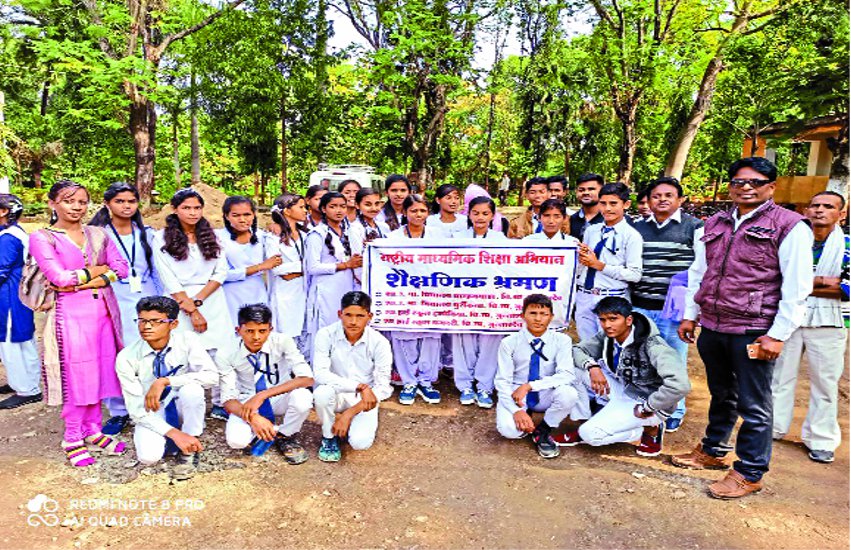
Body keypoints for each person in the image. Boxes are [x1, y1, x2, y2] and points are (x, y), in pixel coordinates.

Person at [673, 157, 813, 499]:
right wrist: (691, 314)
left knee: (754, 404)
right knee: (722, 393)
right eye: (739, 182)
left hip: (755, 328)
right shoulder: (715, 223)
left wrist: (777, 334)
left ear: (771, 187)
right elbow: (699, 272)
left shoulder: (790, 226)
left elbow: (797, 287)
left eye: (755, 182)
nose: (746, 188)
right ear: (731, 186)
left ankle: (750, 472)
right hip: (714, 324)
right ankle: (713, 450)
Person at [29, 180, 129, 467]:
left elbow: (122, 268)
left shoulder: (98, 233)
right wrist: (99, 270)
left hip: (104, 314)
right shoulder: (43, 238)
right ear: (52, 203)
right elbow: (59, 278)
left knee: (101, 371)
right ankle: (72, 437)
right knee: (77, 376)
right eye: (68, 201)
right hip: (70, 317)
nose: (76, 207)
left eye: (82, 202)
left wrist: (88, 280)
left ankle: (93, 430)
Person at [555, 297, 690, 457]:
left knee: (591, 435)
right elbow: (576, 350)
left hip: (645, 403)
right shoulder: (607, 336)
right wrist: (592, 367)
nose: (607, 325)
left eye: (613, 319)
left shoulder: (654, 346)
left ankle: (647, 429)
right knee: (573, 371)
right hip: (622, 389)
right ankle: (584, 421)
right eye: (603, 320)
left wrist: (649, 406)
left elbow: (680, 385)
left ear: (628, 320)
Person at [772, 191, 849, 464]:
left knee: (825, 384)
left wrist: (801, 283)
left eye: (828, 206)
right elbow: (776, 279)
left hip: (831, 322)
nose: (820, 210)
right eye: (815, 205)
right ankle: (772, 428)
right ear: (806, 211)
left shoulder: (848, 245)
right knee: (779, 377)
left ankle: (821, 440)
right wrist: (826, 282)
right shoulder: (793, 241)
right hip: (789, 318)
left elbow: (847, 289)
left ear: (841, 214)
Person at [116, 296, 219, 480]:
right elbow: (136, 410)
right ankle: (176, 437)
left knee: (192, 390)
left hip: (181, 404)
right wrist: (174, 434)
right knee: (149, 457)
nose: (147, 327)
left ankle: (191, 442)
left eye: (156, 321)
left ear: (173, 324)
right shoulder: (127, 357)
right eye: (142, 321)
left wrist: (166, 381)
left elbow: (212, 376)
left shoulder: (187, 341)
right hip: (153, 411)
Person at [88, 182, 162, 434]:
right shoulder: (98, 235)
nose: (126, 206)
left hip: (147, 300)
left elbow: (156, 269)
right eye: (120, 201)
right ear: (107, 204)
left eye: (131, 201)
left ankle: (152, 405)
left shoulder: (147, 234)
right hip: (113, 300)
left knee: (149, 353)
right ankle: (119, 411)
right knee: (115, 355)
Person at [152, 188, 231, 420]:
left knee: (220, 353)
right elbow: (167, 277)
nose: (193, 212)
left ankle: (221, 402)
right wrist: (192, 309)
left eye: (197, 207)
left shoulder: (213, 236)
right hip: (178, 301)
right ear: (175, 209)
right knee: (182, 353)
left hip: (212, 299)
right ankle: (182, 405)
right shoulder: (161, 237)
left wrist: (199, 300)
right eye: (186, 208)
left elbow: (221, 272)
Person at [631, 177, 703, 432]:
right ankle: (646, 404)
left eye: (668, 195)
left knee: (673, 360)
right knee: (642, 359)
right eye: (656, 196)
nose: (662, 199)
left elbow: (701, 269)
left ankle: (675, 409)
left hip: (673, 311)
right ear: (649, 200)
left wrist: (692, 313)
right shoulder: (637, 228)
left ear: (680, 200)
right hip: (639, 306)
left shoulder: (695, 227)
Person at [218, 304, 313, 464]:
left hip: (279, 396)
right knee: (236, 441)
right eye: (249, 331)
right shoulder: (226, 353)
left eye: (262, 331)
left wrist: (262, 395)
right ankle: (267, 430)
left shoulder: (282, 341)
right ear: (238, 330)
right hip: (248, 401)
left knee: (303, 397)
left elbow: (307, 378)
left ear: (270, 329)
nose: (256, 337)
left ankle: (285, 435)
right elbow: (228, 399)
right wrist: (254, 418)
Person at [494, 294, 579, 459]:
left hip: (545, 391)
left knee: (569, 394)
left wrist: (530, 386)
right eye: (532, 313)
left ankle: (544, 429)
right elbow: (502, 381)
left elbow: (567, 375)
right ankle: (526, 416)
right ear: (523, 315)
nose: (538, 319)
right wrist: (516, 411)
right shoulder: (509, 342)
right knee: (509, 431)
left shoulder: (562, 340)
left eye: (543, 314)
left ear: (551, 317)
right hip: (517, 394)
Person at [313, 291, 392, 462]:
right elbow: (320, 374)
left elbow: (383, 387)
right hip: (336, 392)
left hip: (364, 399)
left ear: (369, 316)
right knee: (321, 393)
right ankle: (328, 437)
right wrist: (358, 386)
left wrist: (349, 413)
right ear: (339, 314)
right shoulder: (325, 334)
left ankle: (347, 423)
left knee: (360, 443)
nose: (353, 322)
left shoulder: (380, 342)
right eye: (348, 315)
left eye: (360, 316)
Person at [450, 196, 506, 407]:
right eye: (476, 213)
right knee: (462, 341)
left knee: (490, 342)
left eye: (485, 213)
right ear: (468, 214)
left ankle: (484, 387)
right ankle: (465, 385)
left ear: (492, 215)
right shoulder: (457, 238)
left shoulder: (501, 240)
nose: (480, 217)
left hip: (491, 298)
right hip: (463, 297)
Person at [389, 194, 445, 405]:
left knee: (430, 337)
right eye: (413, 210)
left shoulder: (438, 236)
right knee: (405, 337)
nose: (418, 215)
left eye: (422, 210)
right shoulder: (393, 237)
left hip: (431, 293)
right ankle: (409, 382)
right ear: (405, 212)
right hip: (402, 293)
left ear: (428, 213)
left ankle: (426, 381)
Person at [574, 182, 643, 341]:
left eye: (613, 203)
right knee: (587, 344)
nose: (607, 208)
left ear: (626, 204)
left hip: (612, 296)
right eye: (603, 203)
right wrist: (581, 260)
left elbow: (635, 274)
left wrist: (599, 265)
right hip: (585, 294)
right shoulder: (592, 230)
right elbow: (584, 264)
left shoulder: (631, 236)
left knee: (610, 346)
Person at [303, 191, 361, 361]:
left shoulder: (350, 232)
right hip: (325, 290)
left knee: (343, 328)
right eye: (333, 206)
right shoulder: (316, 234)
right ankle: (321, 370)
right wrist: (344, 265)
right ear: (323, 209)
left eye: (342, 206)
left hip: (346, 287)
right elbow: (312, 267)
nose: (339, 210)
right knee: (325, 329)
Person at [0, 194, 42, 410]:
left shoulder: (7, 238)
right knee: (23, 339)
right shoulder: (16, 232)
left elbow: (1, 271)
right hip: (18, 293)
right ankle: (24, 382)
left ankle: (26, 390)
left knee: (11, 341)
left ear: (3, 211)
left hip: (8, 296)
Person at [216, 196, 282, 326]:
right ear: (226, 216)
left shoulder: (263, 236)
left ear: (254, 215)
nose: (242, 219)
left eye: (247, 214)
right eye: (236, 215)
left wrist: (276, 226)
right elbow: (221, 274)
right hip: (230, 294)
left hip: (258, 290)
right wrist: (260, 267)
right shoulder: (218, 237)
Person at [266, 194, 309, 345]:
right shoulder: (273, 236)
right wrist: (305, 267)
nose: (305, 211)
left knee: (305, 336)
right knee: (285, 337)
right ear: (287, 211)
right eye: (301, 207)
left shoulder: (305, 234)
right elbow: (277, 268)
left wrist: (297, 270)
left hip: (304, 291)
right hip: (284, 294)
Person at [569, 173, 605, 241]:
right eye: (581, 190)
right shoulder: (570, 221)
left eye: (591, 189)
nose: (586, 193)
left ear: (602, 191)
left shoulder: (611, 219)